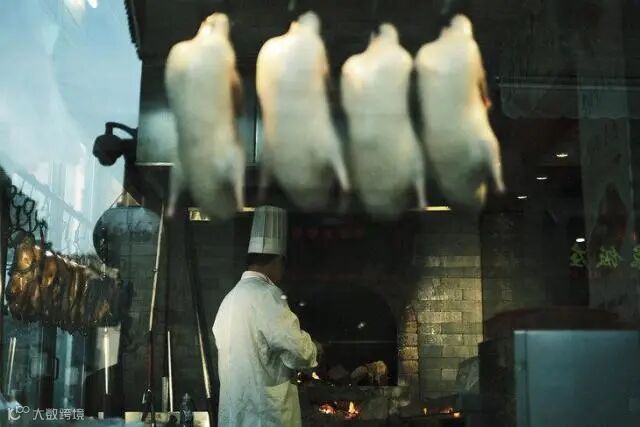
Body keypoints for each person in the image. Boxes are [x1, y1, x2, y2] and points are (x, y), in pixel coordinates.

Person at [213, 206, 318, 427]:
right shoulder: (268, 296)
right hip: (264, 418)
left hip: (236, 417)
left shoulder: (229, 300)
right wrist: (316, 348)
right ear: (278, 260)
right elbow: (300, 352)